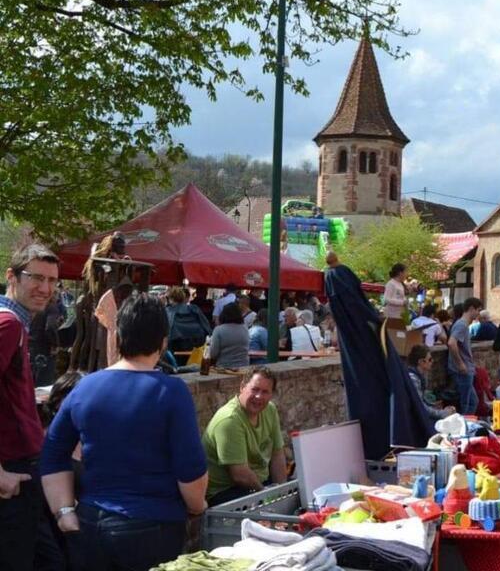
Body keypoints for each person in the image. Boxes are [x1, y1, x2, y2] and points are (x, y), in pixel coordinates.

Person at [40, 293, 208, 571]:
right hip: (153, 528)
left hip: (91, 524)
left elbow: (52, 454)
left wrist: (64, 513)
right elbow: (190, 469)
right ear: (163, 341)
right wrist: (198, 506)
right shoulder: (171, 392)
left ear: (119, 336)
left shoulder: (85, 387)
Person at [1, 244, 66, 571]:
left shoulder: (16, 323)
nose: (46, 288)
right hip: (12, 472)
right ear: (11, 276)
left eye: (52, 280)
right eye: (36, 278)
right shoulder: (9, 323)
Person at [202, 367, 287, 507]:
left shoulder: (270, 410)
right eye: (255, 389)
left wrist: (282, 492)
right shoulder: (229, 420)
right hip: (225, 492)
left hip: (258, 484)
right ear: (242, 387)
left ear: (272, 394)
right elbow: (239, 475)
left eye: (265, 392)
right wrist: (267, 496)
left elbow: (277, 454)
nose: (259, 396)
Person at [447, 297, 482, 415]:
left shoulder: (462, 325)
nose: (478, 313)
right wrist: (460, 364)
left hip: (465, 369)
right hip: (462, 370)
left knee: (472, 402)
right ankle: (464, 425)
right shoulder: (461, 325)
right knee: (466, 403)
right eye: (478, 310)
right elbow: (452, 343)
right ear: (471, 309)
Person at [406, 346, 455, 421]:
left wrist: (434, 406)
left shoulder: (420, 376)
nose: (432, 361)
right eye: (430, 359)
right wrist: (442, 413)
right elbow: (420, 406)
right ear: (421, 362)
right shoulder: (413, 379)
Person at [165, 286, 211, 354]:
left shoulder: (168, 311)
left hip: (174, 344)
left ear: (171, 298)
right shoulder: (194, 308)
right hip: (195, 343)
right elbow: (205, 325)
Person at [209, 302, 250, 370]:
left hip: (224, 368)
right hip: (244, 367)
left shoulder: (219, 330)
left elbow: (213, 354)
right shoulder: (245, 328)